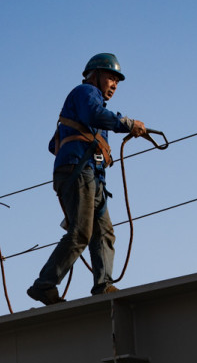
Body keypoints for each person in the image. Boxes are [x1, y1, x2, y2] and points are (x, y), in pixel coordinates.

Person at [27, 53, 147, 306]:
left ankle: (103, 284)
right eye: (111, 77)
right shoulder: (85, 93)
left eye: (117, 80)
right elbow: (94, 115)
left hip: (90, 173)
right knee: (82, 231)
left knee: (103, 231)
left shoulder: (89, 108)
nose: (114, 84)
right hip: (78, 170)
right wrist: (127, 123)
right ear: (94, 75)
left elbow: (53, 144)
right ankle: (44, 285)